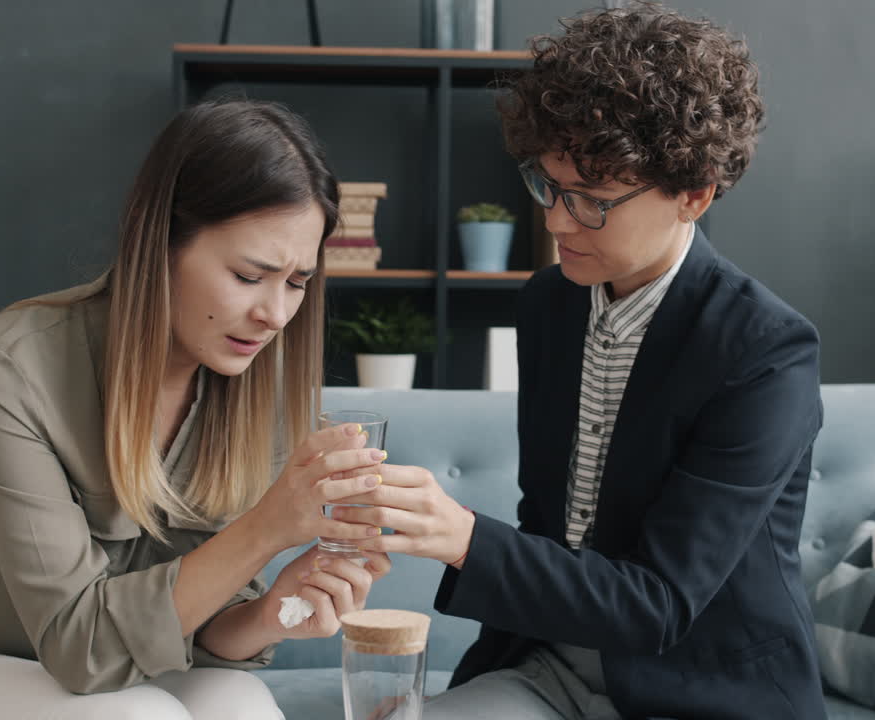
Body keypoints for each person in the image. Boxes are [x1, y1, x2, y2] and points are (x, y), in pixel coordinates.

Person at [332, 3, 828, 718]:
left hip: (701, 693)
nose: (557, 220)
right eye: (548, 185)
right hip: (546, 667)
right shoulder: (549, 305)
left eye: (592, 202)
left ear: (693, 194)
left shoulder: (765, 353)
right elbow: (547, 519)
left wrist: (465, 538)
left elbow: (659, 604)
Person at [0, 98, 392, 720]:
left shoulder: (254, 386)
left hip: (102, 675)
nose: (275, 314)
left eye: (296, 283)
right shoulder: (16, 366)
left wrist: (269, 614)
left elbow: (191, 639)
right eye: (248, 275)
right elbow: (81, 647)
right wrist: (266, 528)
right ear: (159, 243)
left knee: (242, 703)